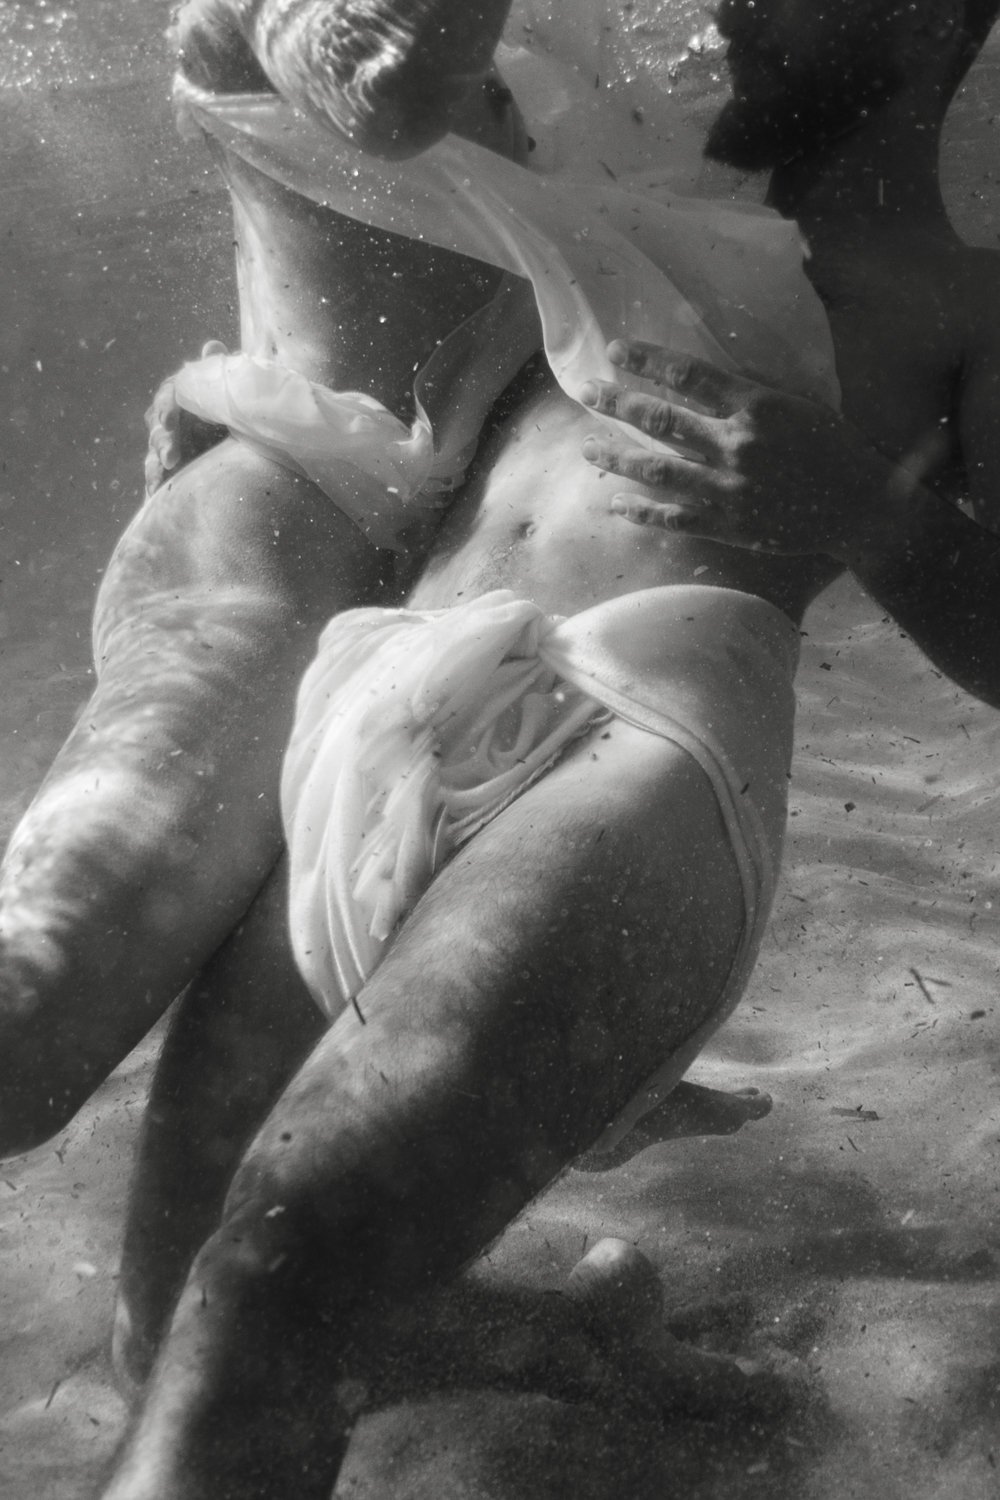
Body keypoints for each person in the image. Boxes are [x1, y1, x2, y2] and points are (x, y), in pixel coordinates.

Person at [89, 3, 1000, 1497]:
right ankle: (541, 1339)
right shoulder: (593, 194)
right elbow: (344, 314)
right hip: (376, 708)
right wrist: (220, 415)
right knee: (168, 1319)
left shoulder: (965, 302)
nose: (725, 16)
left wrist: (863, 506)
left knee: (260, 1294)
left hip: (641, 748)